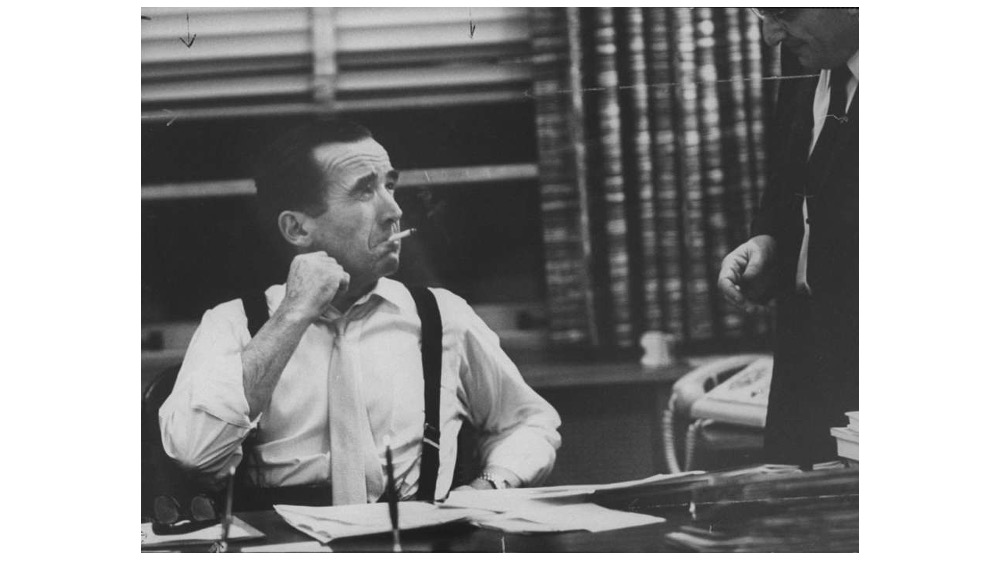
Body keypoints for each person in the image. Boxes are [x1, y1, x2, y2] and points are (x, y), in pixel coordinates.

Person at [159, 120, 561, 506]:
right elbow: (194, 454)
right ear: (297, 229)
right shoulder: (232, 324)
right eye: (365, 192)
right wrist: (293, 314)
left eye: (390, 186)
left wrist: (490, 485)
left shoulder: (441, 316)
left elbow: (528, 421)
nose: (394, 211)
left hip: (419, 541)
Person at [717, 8, 858, 466]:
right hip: (803, 373)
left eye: (782, 13)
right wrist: (769, 243)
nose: (770, 36)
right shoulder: (806, 57)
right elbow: (792, 183)